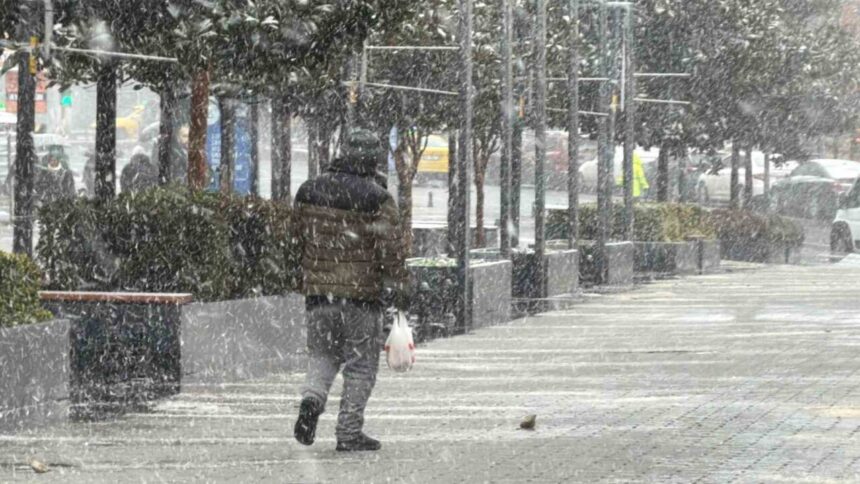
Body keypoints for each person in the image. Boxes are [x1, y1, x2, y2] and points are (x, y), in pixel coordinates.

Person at [292, 128, 409, 452]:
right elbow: (391, 249)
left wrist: (304, 277)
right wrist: (399, 284)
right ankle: (348, 433)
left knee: (322, 355)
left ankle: (311, 401)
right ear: (373, 158)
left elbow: (293, 239)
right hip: (360, 297)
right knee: (360, 365)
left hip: (318, 295)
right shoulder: (377, 197)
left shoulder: (308, 190)